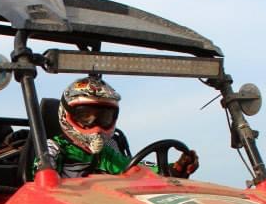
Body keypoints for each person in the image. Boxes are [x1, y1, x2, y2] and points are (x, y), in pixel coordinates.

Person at [30, 76, 199, 179]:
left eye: (104, 117)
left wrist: (175, 168)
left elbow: (135, 168)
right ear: (67, 115)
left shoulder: (104, 154)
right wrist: (46, 172)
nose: (96, 126)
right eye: (86, 117)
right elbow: (43, 177)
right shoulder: (53, 149)